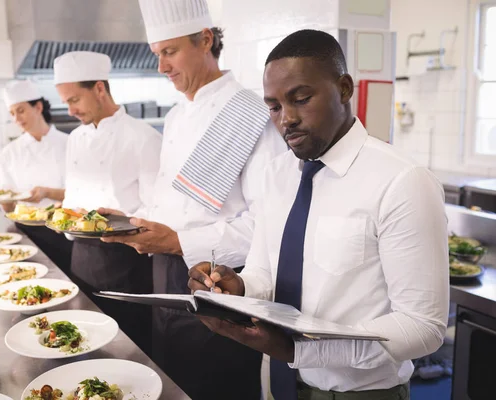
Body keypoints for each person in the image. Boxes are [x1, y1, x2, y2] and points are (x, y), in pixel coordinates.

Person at [187, 30, 449, 400]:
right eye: (274, 107)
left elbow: (423, 326)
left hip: (358, 393)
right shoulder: (276, 175)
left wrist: (301, 351)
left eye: (301, 99)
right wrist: (239, 287)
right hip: (276, 382)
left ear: (343, 89)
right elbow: (265, 272)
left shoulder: (403, 181)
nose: (286, 119)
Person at [100, 1, 286, 398]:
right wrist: (132, 220)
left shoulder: (251, 113)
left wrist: (178, 242)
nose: (161, 66)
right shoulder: (175, 116)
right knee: (170, 379)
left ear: (205, 40)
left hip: (220, 281)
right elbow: (171, 204)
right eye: (157, 55)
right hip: (165, 276)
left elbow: (268, 225)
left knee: (213, 385)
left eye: (169, 52)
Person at [53, 51, 162, 355]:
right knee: (84, 342)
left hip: (126, 263)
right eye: (66, 103)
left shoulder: (144, 137)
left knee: (128, 348)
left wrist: (124, 220)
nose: (71, 110)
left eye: (74, 100)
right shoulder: (75, 137)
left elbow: (157, 209)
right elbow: (71, 196)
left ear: (99, 88)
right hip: (81, 257)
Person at [0, 79, 73, 271]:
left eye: (21, 110)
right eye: (12, 113)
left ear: (38, 107)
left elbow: (81, 193)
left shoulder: (70, 144)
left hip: (63, 229)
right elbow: (8, 207)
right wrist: (4, 200)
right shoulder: (9, 152)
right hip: (26, 233)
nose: (16, 118)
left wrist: (46, 192)